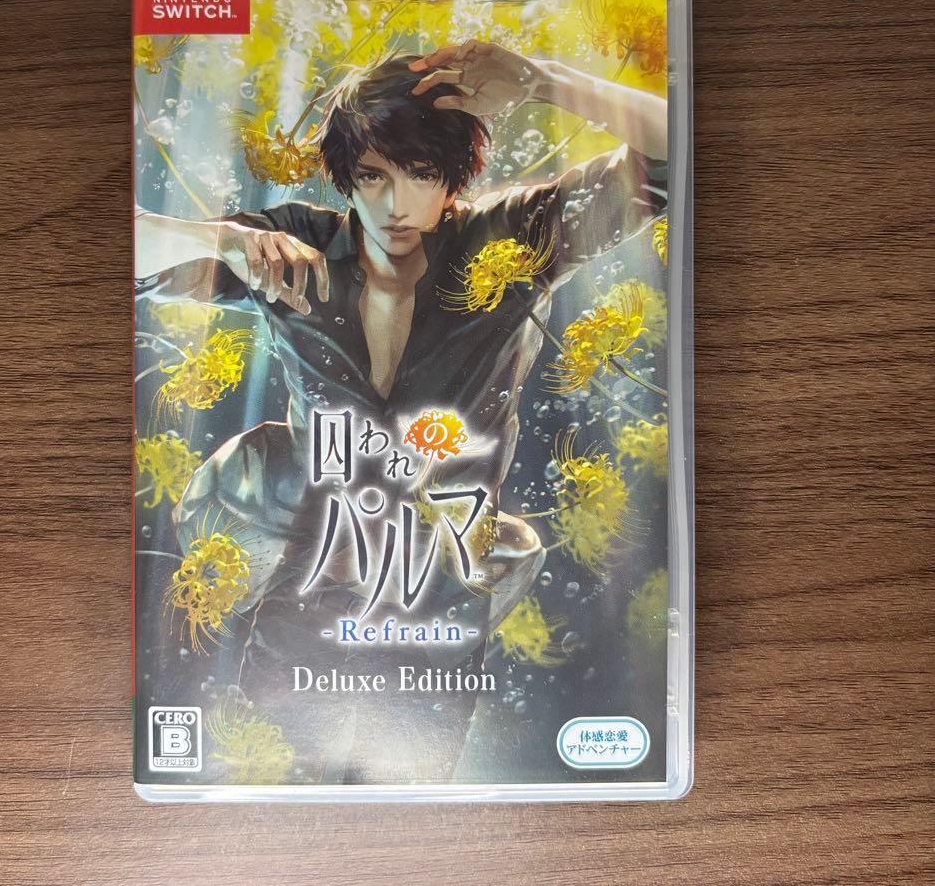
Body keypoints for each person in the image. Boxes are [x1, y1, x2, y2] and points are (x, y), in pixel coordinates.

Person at [135, 40, 667, 782]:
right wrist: (221, 240)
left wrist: (546, 80)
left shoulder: (507, 241)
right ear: (346, 177)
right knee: (271, 794)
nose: (396, 204)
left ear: (453, 176)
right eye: (373, 176)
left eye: (421, 174)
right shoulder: (296, 246)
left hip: (439, 611)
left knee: (411, 806)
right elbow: (131, 257)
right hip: (307, 594)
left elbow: (673, 158)